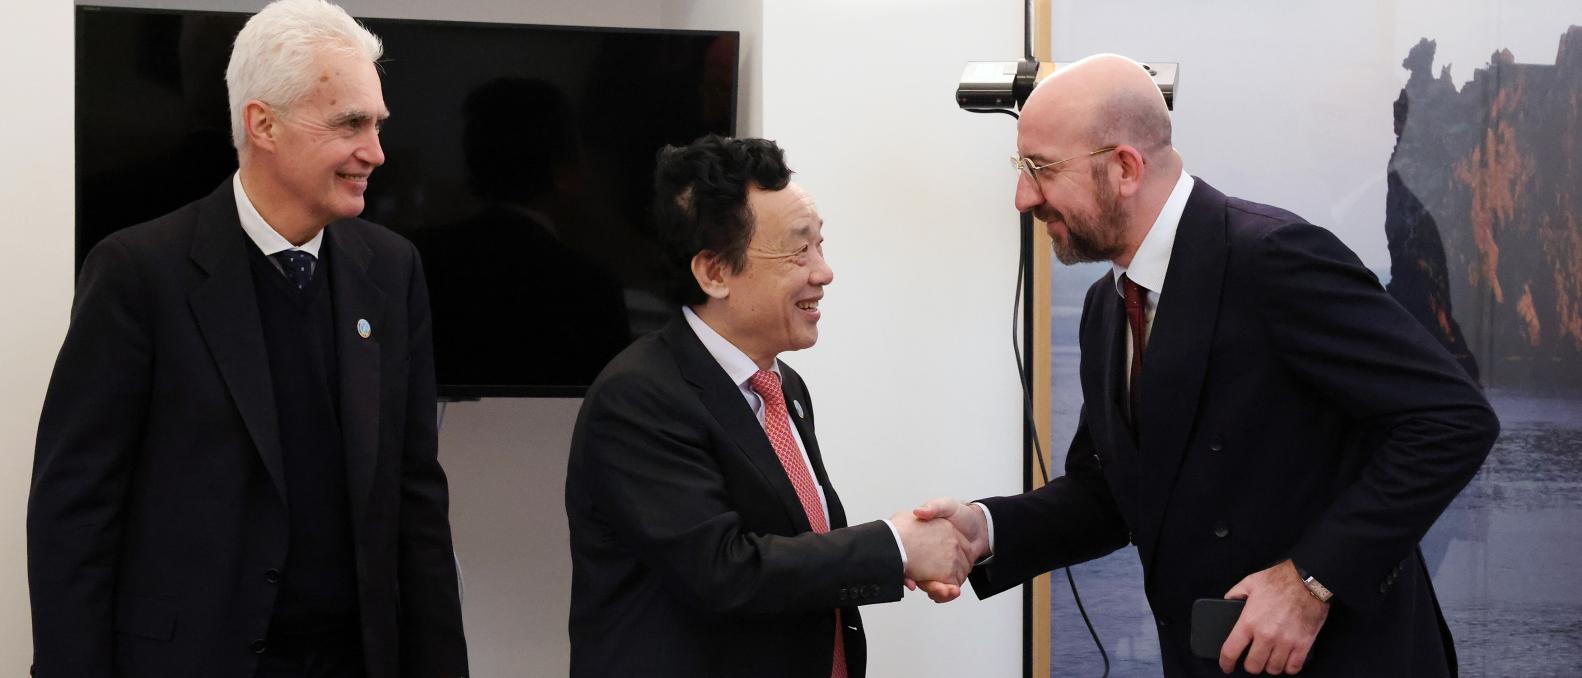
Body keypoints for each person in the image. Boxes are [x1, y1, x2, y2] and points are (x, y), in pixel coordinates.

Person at [914, 54, 1499, 677]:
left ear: (1125, 168)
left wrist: (1312, 581)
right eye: (1020, 169)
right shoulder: (1106, 307)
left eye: (1041, 170)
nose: (1022, 197)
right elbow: (1109, 495)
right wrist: (985, 529)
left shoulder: (1271, 258)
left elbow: (1453, 417)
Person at [27, 1, 468, 676]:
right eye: (350, 123)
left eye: (377, 124)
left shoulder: (392, 269)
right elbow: (74, 513)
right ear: (262, 124)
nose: (375, 152)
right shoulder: (138, 273)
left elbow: (415, 500)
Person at [564, 135, 971, 678]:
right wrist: (894, 548)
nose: (823, 272)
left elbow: (796, 554)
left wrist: (906, 555)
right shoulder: (638, 397)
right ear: (714, 272)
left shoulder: (784, 387)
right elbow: (723, 571)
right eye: (798, 251)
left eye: (820, 245)